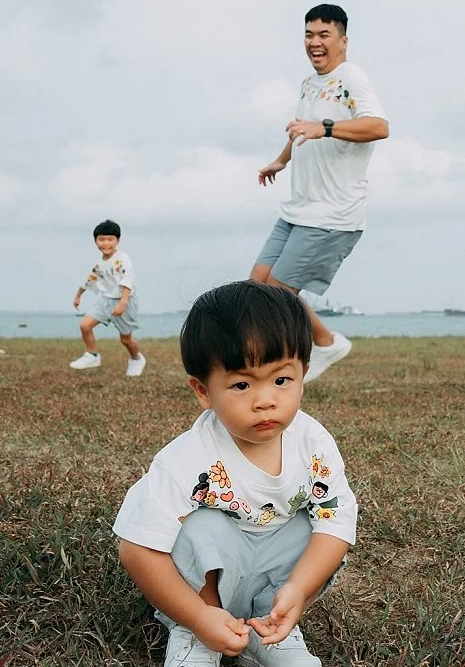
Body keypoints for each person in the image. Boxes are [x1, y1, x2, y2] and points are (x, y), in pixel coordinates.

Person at [114, 281, 356, 667]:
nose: (265, 400)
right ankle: (196, 635)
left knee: (323, 526)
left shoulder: (313, 442)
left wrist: (297, 589)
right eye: (242, 384)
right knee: (197, 525)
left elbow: (337, 524)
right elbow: (137, 548)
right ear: (203, 391)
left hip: (276, 576)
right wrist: (196, 616)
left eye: (282, 380)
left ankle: (271, 628)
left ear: (303, 373)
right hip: (202, 590)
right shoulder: (187, 458)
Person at [253, 4, 388, 383]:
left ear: (343, 41)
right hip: (299, 208)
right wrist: (281, 160)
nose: (315, 42)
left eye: (324, 35)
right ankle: (326, 341)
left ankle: (287, 367)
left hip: (332, 214)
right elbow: (302, 129)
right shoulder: (309, 84)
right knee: (258, 282)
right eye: (309, 35)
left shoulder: (352, 78)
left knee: (277, 295)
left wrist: (326, 128)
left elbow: (378, 126)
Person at [69, 219, 146, 376]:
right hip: (105, 300)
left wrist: (123, 303)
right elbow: (88, 280)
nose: (106, 243)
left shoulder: (122, 258)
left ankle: (136, 359)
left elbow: (128, 280)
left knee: (125, 339)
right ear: (95, 241)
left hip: (126, 300)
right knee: (85, 326)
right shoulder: (98, 263)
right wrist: (78, 296)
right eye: (101, 239)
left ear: (117, 241)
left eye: (110, 239)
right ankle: (92, 355)